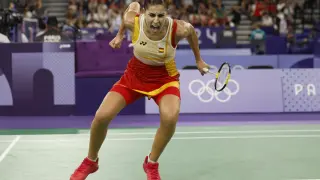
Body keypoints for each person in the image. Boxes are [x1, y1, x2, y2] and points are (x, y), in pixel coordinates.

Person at [70, 0, 209, 180]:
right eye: (152, 15)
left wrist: (198, 59)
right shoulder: (132, 21)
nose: (156, 21)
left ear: (168, 14)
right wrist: (120, 35)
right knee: (102, 116)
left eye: (161, 15)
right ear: (144, 13)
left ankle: (151, 163)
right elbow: (131, 7)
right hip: (134, 75)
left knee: (170, 117)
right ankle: (91, 161)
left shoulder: (179, 29)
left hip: (164, 77)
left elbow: (192, 35)